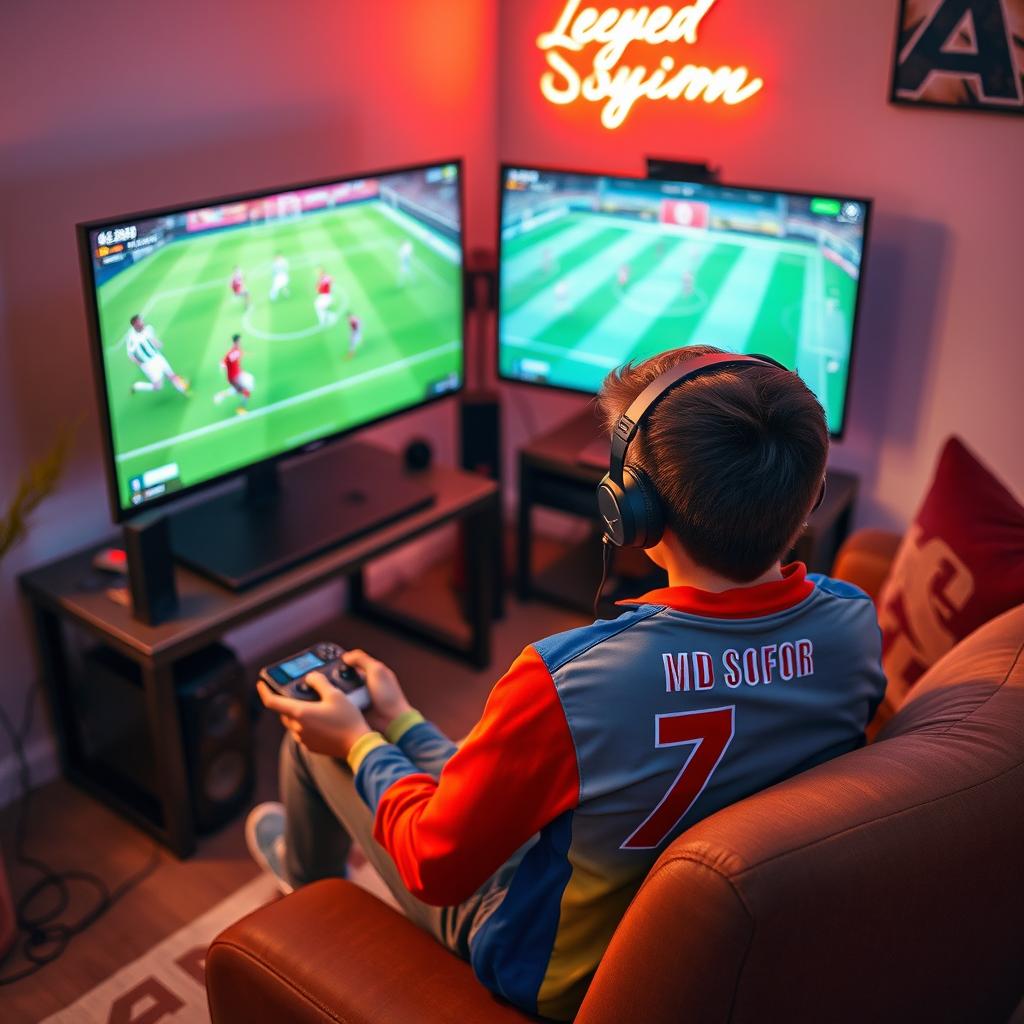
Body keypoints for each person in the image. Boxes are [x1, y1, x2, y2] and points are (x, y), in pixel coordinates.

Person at [246, 343, 885, 1020]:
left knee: (311, 741)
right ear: (811, 495)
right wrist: (399, 718)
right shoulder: (853, 627)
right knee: (436, 754)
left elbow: (433, 866)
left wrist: (356, 743)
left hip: (553, 968)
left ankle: (304, 883)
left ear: (631, 513)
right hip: (692, 942)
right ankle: (390, 735)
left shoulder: (566, 681)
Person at [125, 315, 189, 395]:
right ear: (135, 325)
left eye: (142, 321)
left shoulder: (148, 328)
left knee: (171, 375)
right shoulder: (131, 337)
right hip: (148, 364)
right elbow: (130, 354)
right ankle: (137, 386)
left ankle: (182, 389)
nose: (142, 323)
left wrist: (158, 344)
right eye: (140, 322)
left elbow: (152, 340)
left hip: (157, 357)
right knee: (158, 387)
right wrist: (140, 364)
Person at [213, 333, 254, 414]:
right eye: (239, 341)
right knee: (245, 390)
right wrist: (223, 368)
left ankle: (221, 395)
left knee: (244, 388)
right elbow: (222, 362)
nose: (241, 342)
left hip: (239, 374)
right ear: (236, 341)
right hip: (234, 377)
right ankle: (240, 409)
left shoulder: (238, 349)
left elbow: (239, 355)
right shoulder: (231, 353)